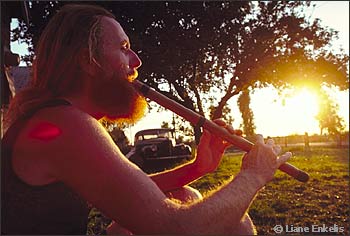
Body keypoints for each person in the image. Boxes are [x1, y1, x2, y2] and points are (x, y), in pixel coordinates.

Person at [1, 4, 292, 235]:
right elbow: (176, 229)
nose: (136, 61)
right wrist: (253, 176)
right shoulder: (65, 125)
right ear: (88, 61)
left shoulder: (58, 117)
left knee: (185, 194)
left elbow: (123, 190)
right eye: (124, 47)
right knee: (234, 225)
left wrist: (199, 167)